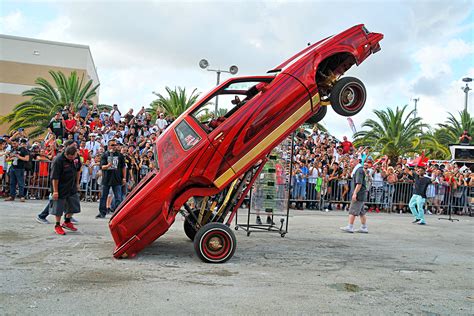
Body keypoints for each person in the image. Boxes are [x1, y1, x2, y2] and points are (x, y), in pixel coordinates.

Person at [49, 145, 82, 235]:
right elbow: (54, 177)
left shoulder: (76, 157)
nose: (71, 159)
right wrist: (55, 191)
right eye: (69, 157)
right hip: (60, 186)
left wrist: (77, 183)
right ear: (65, 154)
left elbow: (78, 170)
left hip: (71, 185)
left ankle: (67, 221)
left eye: (73, 157)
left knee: (74, 206)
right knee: (58, 208)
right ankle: (57, 225)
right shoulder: (58, 160)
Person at [96, 139, 126, 218]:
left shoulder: (120, 155)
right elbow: (102, 166)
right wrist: (108, 166)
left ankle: (117, 213)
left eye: (115, 145)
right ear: (109, 146)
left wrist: (124, 178)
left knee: (118, 197)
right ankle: (102, 212)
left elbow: (123, 167)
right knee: (103, 197)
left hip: (117, 179)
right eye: (112, 145)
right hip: (106, 179)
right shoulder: (105, 155)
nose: (114, 146)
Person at [340, 160, 369, 233]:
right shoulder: (358, 169)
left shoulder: (359, 170)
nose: (350, 164)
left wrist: (355, 193)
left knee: (352, 210)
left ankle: (350, 226)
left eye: (352, 162)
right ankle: (364, 227)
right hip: (361, 193)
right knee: (362, 212)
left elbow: (359, 183)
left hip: (359, 193)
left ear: (356, 162)